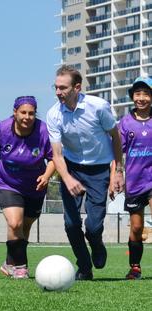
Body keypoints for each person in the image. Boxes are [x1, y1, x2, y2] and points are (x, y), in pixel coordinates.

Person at [46, 65, 124, 280]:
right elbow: (57, 155)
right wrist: (68, 177)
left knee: (92, 226)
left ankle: (97, 244)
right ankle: (84, 267)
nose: (58, 92)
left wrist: (118, 170)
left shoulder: (98, 107)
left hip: (99, 171)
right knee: (71, 224)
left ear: (77, 87)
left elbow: (115, 137)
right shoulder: (53, 114)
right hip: (71, 168)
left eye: (63, 88)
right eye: (56, 87)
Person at [0, 96, 55, 279]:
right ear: (15, 112)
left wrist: (47, 176)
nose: (27, 117)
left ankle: (9, 263)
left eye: (31, 113)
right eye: (23, 112)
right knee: (15, 222)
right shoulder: (2, 128)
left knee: (24, 227)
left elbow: (54, 159)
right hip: (7, 181)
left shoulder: (44, 131)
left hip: (34, 186)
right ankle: (20, 267)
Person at [118, 76, 152, 280]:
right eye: (138, 94)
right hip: (134, 182)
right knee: (137, 227)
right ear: (132, 97)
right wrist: (116, 175)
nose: (142, 98)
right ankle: (135, 267)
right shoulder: (125, 123)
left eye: (146, 93)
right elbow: (116, 153)